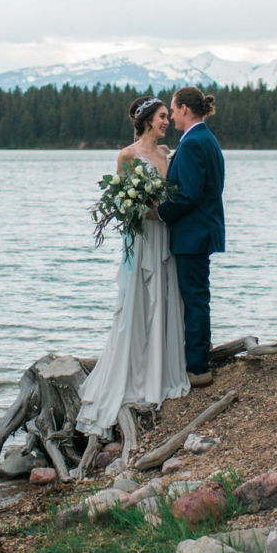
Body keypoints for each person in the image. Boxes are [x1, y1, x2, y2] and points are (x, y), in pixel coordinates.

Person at [75, 96, 191, 436]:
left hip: (164, 232)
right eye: (161, 116)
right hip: (140, 236)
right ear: (145, 121)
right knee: (138, 300)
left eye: (168, 116)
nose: (166, 121)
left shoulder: (167, 154)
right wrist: (140, 206)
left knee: (164, 296)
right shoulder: (127, 155)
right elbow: (122, 202)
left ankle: (161, 370)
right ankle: (134, 373)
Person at [157, 87, 225, 387]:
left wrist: (158, 213)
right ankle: (197, 358)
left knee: (195, 299)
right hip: (198, 231)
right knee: (197, 297)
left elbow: (188, 195)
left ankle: (197, 368)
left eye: (173, 109)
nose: (171, 116)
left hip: (193, 234)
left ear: (184, 109)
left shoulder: (195, 142)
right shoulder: (203, 139)